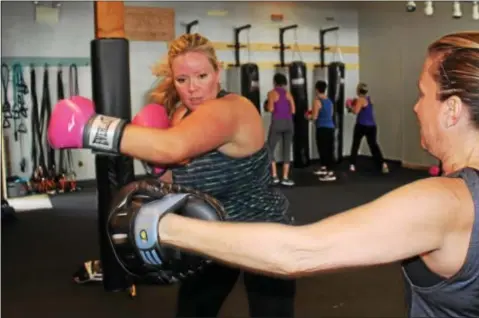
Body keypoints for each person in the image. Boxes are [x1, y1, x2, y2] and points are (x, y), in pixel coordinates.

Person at [51, 31, 479, 317]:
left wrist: (161, 227)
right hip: (227, 234)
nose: (415, 107)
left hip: (259, 231)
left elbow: (298, 253)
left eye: (422, 93)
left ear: (454, 109)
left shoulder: (444, 201)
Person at [48, 33, 296, 318]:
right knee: (193, 310)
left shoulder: (233, 110)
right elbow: (174, 177)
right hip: (212, 231)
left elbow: (173, 148)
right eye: (182, 80)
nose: (193, 89)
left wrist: (90, 129)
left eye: (202, 76)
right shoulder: (180, 115)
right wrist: (159, 172)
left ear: (218, 73)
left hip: (261, 230)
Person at [346, 82, 389, 174]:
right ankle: (383, 164)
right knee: (374, 146)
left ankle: (352, 165)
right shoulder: (369, 99)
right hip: (372, 126)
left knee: (356, 144)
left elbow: (356, 111)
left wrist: (349, 106)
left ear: (358, 90)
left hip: (362, 125)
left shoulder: (360, 100)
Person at [265, 73, 296, 186]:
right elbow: (293, 111)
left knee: (269, 148)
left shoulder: (272, 93)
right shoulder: (288, 94)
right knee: (287, 150)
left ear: (274, 82)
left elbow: (270, 108)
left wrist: (267, 105)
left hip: (277, 122)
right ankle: (285, 177)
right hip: (288, 123)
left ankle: (274, 176)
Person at [307, 80, 337, 182]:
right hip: (330, 127)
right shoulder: (329, 101)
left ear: (316, 89)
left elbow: (314, 117)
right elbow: (330, 114)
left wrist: (307, 116)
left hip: (322, 128)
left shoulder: (317, 101)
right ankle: (324, 168)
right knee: (328, 149)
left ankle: (330, 173)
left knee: (324, 150)